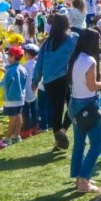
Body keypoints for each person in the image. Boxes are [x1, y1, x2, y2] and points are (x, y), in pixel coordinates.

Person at [68, 27, 101, 194]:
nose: (100, 42)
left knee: (79, 143)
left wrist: (97, 77)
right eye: (99, 39)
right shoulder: (90, 61)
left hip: (74, 104)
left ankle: (79, 176)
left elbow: (82, 80)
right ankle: (84, 181)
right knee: (97, 144)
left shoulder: (74, 58)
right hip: (87, 105)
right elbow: (92, 86)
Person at [32, 13, 78, 151]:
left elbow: (39, 63)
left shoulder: (47, 43)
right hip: (68, 78)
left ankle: (58, 141)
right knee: (73, 105)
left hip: (50, 80)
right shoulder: (73, 38)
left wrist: (35, 80)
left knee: (55, 110)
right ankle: (63, 130)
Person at [0, 46, 28, 144]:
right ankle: (16, 135)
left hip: (11, 98)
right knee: (19, 116)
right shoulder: (22, 69)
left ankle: (7, 138)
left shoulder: (11, 71)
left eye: (8, 56)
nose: (7, 58)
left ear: (13, 57)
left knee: (12, 119)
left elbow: (5, 83)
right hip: (21, 97)